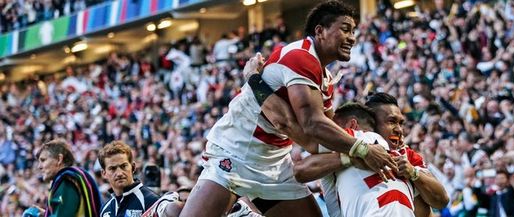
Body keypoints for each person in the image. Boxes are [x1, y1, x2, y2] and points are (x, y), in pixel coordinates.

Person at [172, 1, 397, 217]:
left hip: (275, 162)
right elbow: (306, 126)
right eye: (345, 29)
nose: (352, 38)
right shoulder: (300, 57)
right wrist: (363, 149)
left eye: (354, 31)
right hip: (237, 152)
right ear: (320, 31)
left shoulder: (325, 78)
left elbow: (322, 141)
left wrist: (353, 154)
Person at [295, 102, 415, 217]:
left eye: (334, 128)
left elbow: (300, 171)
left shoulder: (361, 136)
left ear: (352, 125)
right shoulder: (404, 158)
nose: (331, 133)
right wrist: (350, 158)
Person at [36, 139, 102, 217]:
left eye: (43, 160)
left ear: (59, 159)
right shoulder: (75, 174)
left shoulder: (66, 180)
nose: (39, 166)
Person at [99, 141, 159, 217]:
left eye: (123, 166)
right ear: (104, 173)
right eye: (112, 168)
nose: (119, 173)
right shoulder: (105, 210)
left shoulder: (151, 201)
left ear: (133, 167)